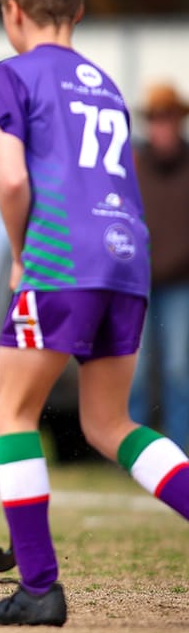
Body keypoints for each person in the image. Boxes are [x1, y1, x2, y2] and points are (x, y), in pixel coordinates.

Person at [0, 0, 189, 627]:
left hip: (63, 259)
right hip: (128, 259)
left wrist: (18, 252)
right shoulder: (105, 84)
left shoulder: (12, 74)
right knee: (109, 422)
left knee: (11, 409)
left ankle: (39, 586)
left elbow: (12, 178)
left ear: (12, 10)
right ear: (80, 10)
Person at [129, 83, 189, 451]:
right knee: (132, 372)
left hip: (181, 283)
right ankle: (131, 448)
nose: (161, 126)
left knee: (178, 371)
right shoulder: (133, 164)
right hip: (139, 283)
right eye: (155, 118)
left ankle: (178, 448)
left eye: (167, 117)